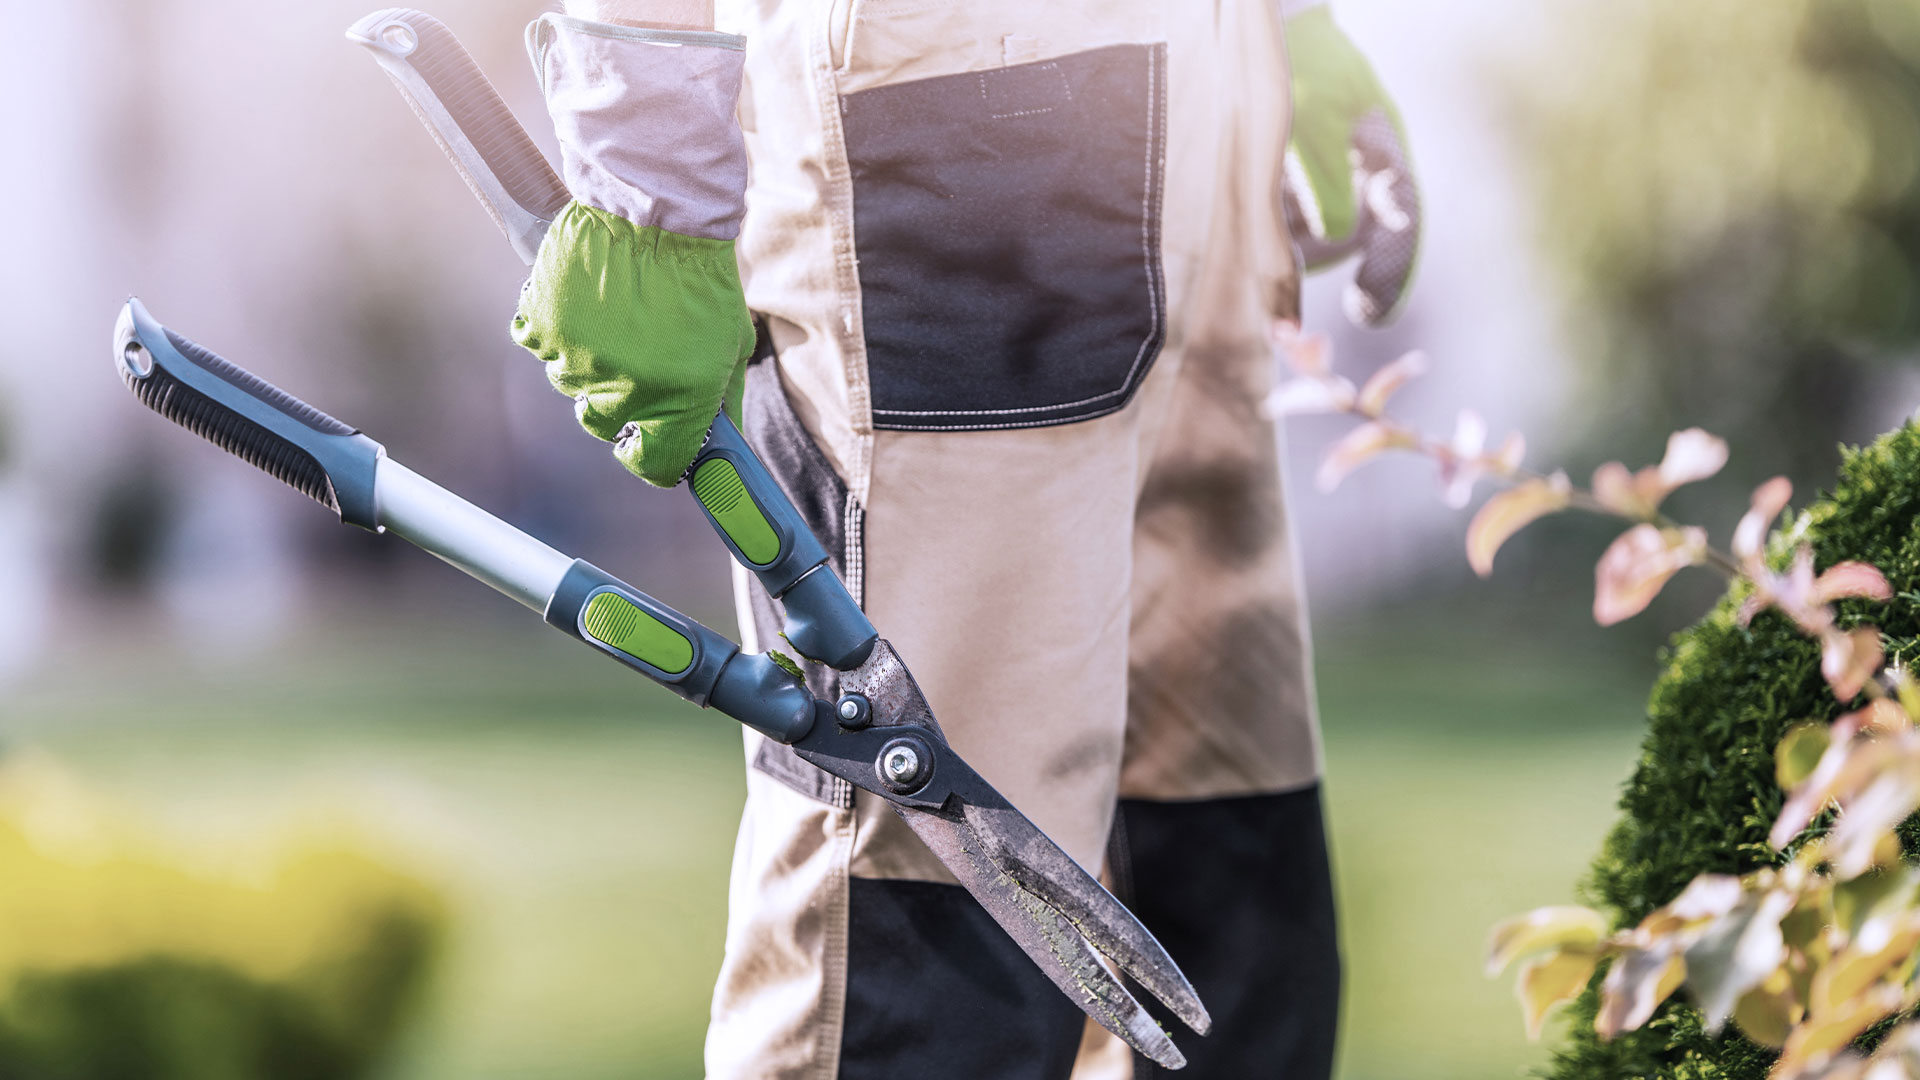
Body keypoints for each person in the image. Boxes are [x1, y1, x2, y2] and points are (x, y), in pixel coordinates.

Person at [510, 0, 1420, 1075]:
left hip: (1199, 80)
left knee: (1229, 885)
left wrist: (1286, 28)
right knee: (918, 952)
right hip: (948, 124)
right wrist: (646, 166)